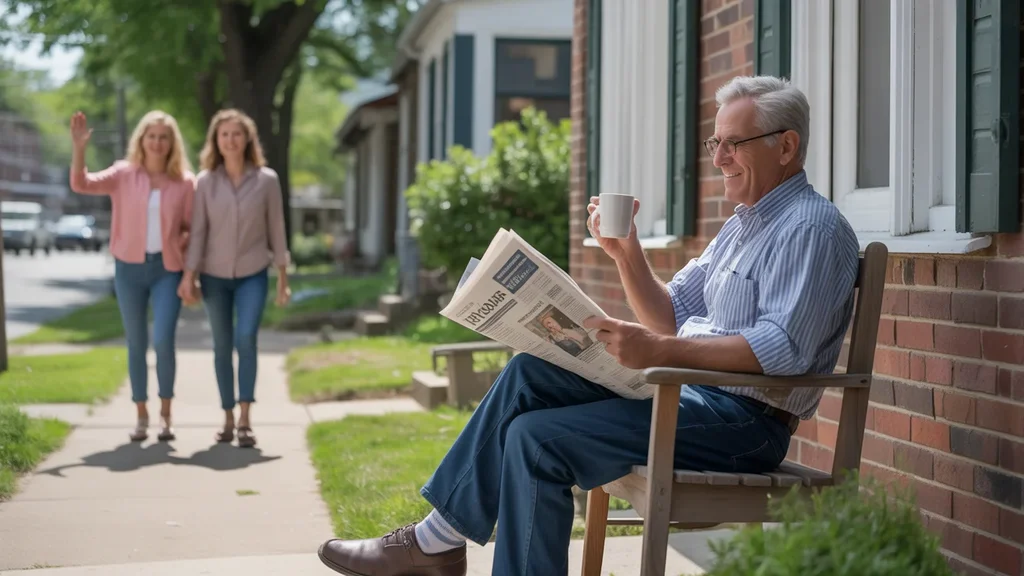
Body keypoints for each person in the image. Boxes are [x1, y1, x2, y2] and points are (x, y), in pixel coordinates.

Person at [316, 75, 860, 575]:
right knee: (531, 370)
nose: (718, 158)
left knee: (535, 440)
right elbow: (669, 313)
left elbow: (782, 349)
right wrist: (626, 256)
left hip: (742, 423)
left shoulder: (811, 227)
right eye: (713, 143)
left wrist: (658, 351)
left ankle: (435, 544)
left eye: (732, 144)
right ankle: (439, 538)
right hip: (687, 397)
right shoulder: (740, 227)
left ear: (785, 147)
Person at [69, 110, 196, 443]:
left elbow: (192, 228)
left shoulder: (184, 182)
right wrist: (79, 148)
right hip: (128, 268)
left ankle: (166, 414)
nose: (156, 142)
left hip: (168, 269)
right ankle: (141, 414)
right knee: (136, 342)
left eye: (163, 137)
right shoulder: (124, 174)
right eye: (151, 136)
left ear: (172, 143)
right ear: (142, 140)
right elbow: (81, 183)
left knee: (164, 340)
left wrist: (188, 269)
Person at [179, 109, 291, 449]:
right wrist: (189, 276)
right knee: (221, 346)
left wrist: (283, 278)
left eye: (237, 134)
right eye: (224, 134)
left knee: (246, 339)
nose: (231, 140)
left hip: (253, 273)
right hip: (213, 276)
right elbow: (198, 233)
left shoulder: (267, 180)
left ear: (247, 139)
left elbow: (277, 230)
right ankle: (227, 417)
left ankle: (245, 418)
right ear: (216, 140)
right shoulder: (205, 182)